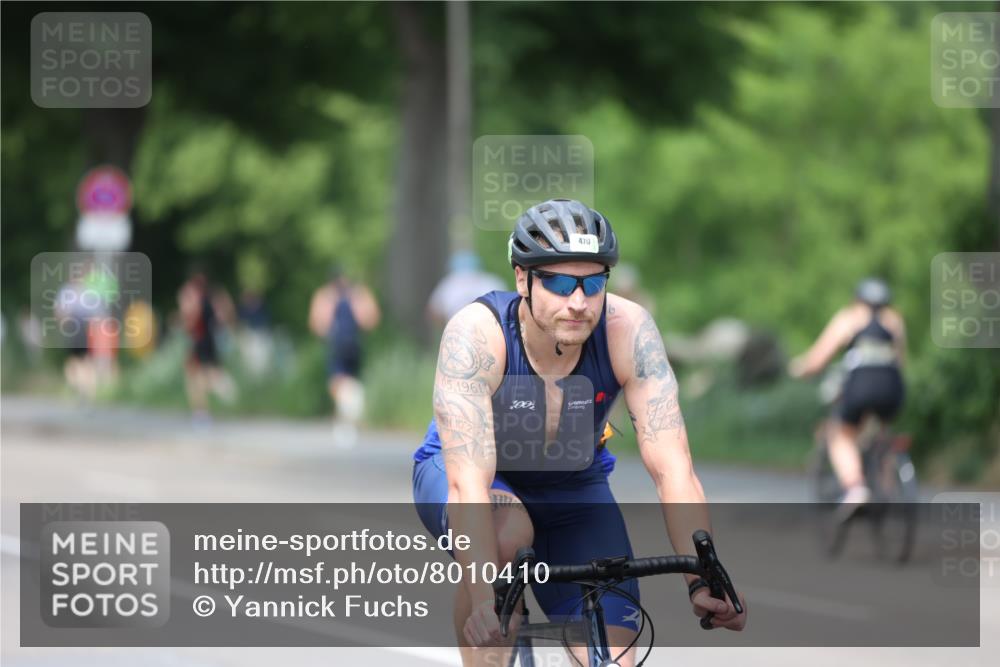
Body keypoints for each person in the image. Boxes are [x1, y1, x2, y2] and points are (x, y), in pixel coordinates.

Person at [411, 199, 747, 667]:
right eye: (560, 282)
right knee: (507, 533)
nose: (578, 301)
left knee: (615, 658)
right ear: (522, 278)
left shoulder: (628, 332)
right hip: (480, 484)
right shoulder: (477, 335)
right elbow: (468, 483)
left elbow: (673, 468)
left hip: (573, 488)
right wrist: (485, 598)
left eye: (593, 283)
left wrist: (704, 575)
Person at [789, 277, 907, 510]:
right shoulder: (895, 321)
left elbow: (817, 359)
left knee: (839, 434)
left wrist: (799, 368)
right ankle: (887, 486)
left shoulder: (849, 317)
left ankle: (855, 488)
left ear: (857, 299)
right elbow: (901, 359)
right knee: (882, 432)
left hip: (861, 385)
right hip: (893, 387)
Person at [308, 266, 381, 448]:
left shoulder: (355, 296)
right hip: (341, 346)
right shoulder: (328, 296)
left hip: (349, 346)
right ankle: (344, 420)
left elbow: (370, 320)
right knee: (340, 384)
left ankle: (347, 420)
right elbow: (318, 324)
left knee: (347, 385)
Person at [178, 270, 238, 423]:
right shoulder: (213, 296)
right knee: (204, 375)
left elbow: (190, 320)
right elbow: (225, 315)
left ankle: (202, 413)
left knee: (196, 378)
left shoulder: (193, 295)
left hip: (200, 340)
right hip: (208, 340)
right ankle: (209, 406)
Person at [426, 250, 506, 329]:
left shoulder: (448, 283)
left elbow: (433, 312)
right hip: (489, 331)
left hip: (458, 331)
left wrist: (446, 326)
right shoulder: (492, 281)